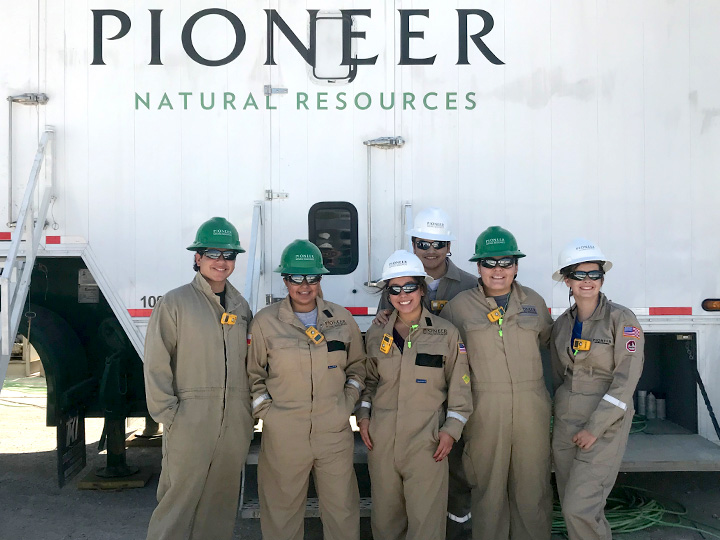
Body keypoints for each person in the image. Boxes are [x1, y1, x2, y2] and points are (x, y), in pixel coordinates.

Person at [440, 226, 553, 540]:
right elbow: (447, 359)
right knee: (488, 490)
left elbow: (551, 344)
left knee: (533, 488)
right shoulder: (458, 308)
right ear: (478, 267)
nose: (498, 270)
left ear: (516, 266)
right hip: (484, 409)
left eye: (506, 262)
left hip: (532, 408)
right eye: (489, 263)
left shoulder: (535, 302)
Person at [247, 239, 365, 540]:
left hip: (333, 433)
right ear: (285, 280)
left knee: (343, 513)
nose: (304, 285)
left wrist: (346, 402)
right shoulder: (265, 323)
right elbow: (253, 376)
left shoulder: (341, 318)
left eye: (311, 277)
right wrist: (270, 414)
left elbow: (358, 367)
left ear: (320, 278)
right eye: (296, 278)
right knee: (281, 516)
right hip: (284, 435)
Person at [143, 217, 253, 540]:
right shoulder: (175, 303)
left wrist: (245, 415)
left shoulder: (241, 307)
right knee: (176, 507)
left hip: (233, 424)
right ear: (197, 258)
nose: (221, 262)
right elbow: (155, 362)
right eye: (213, 253)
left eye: (229, 255)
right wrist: (171, 415)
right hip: (190, 422)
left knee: (219, 509)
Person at [374, 207, 477, 536]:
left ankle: (457, 528)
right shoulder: (393, 304)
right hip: (405, 413)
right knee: (394, 508)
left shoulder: (470, 286)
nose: (430, 250)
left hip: (455, 390)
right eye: (423, 243)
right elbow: (374, 367)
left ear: (449, 245)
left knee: (457, 475)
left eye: (438, 243)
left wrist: (452, 423)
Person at [550, 239, 644, 540]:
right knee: (570, 503)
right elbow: (558, 374)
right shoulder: (562, 324)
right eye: (579, 275)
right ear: (567, 280)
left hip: (603, 423)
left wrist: (595, 426)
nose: (587, 281)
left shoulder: (621, 319)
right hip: (566, 421)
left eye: (594, 274)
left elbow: (626, 380)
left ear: (602, 279)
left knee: (581, 507)